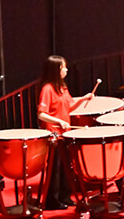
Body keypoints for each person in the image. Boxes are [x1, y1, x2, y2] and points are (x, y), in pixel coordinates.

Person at [36, 55, 92, 209]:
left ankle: (65, 196)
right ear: (56, 70)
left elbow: (69, 108)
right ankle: (52, 201)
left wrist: (83, 99)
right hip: (54, 134)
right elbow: (41, 114)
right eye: (63, 67)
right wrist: (58, 121)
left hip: (65, 133)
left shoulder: (62, 87)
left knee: (67, 167)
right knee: (55, 169)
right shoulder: (47, 89)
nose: (66, 70)